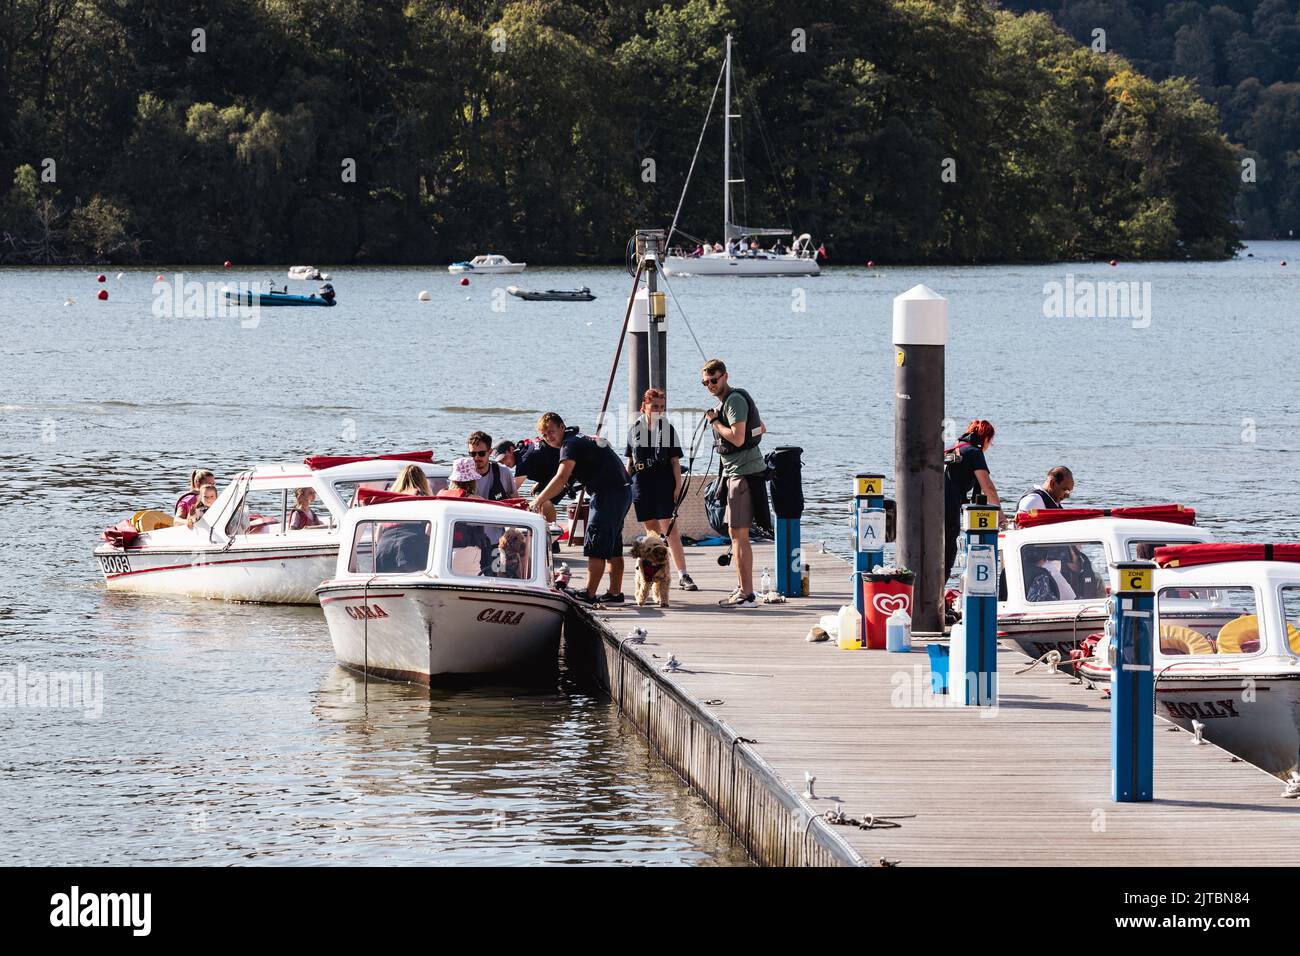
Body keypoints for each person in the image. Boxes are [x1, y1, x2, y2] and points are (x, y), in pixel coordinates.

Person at [529, 412, 630, 604]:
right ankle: (615, 594)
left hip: (607, 494)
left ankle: (588, 595)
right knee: (613, 546)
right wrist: (545, 487)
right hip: (622, 491)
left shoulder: (569, 445)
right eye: (544, 435)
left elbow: (562, 477)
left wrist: (538, 501)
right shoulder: (578, 439)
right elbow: (572, 475)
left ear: (561, 426)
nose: (549, 437)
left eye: (551, 431)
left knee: (596, 546)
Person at [701, 359, 770, 608]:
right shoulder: (727, 404)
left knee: (739, 535)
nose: (710, 384)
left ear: (725, 376)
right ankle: (743, 588)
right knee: (734, 534)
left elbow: (738, 438)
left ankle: (747, 594)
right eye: (706, 382)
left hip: (742, 475)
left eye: (714, 379)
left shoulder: (735, 401)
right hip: (735, 473)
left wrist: (715, 422)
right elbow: (761, 428)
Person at [625, 388, 696, 591]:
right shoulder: (634, 430)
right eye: (654, 406)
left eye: (662, 407)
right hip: (641, 485)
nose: (659, 410)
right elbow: (630, 461)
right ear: (644, 406)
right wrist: (622, 483)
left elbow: (675, 462)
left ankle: (684, 574)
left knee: (670, 530)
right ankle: (654, 574)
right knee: (652, 534)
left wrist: (678, 486)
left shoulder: (668, 430)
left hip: (663, 484)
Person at [943, 419, 1002, 584]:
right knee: (948, 554)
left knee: (939, 553)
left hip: (936, 504)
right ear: (987, 438)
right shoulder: (974, 452)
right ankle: (937, 601)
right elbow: (987, 487)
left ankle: (933, 598)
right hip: (949, 506)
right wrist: (1001, 515)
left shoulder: (958, 448)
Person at [467, 430, 516, 501]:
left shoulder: (504, 472)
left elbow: (516, 501)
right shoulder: (463, 475)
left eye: (481, 453)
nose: (476, 458)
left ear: (490, 452)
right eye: (473, 454)